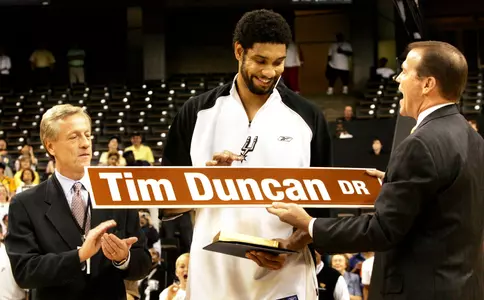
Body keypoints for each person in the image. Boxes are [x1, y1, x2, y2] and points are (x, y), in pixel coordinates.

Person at [267, 41, 484, 300]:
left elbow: (382, 230)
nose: (397, 79)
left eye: (404, 71)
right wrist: (394, 184)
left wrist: (310, 224)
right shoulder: (474, 139)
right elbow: (444, 208)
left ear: (427, 84)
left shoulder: (421, 143)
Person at [160, 9, 332, 300]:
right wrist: (204, 182)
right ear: (239, 51)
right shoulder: (196, 112)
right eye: (260, 61)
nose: (269, 73)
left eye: (278, 63)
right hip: (213, 273)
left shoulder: (308, 117)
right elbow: (164, 205)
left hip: (284, 270)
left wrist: (292, 244)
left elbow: (321, 211)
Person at [5, 104, 152, 300]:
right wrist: (80, 256)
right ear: (50, 146)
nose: (85, 143)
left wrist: (124, 258)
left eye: (87, 135)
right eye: (74, 137)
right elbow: (25, 272)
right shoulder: (25, 204)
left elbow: (142, 262)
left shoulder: (117, 193)